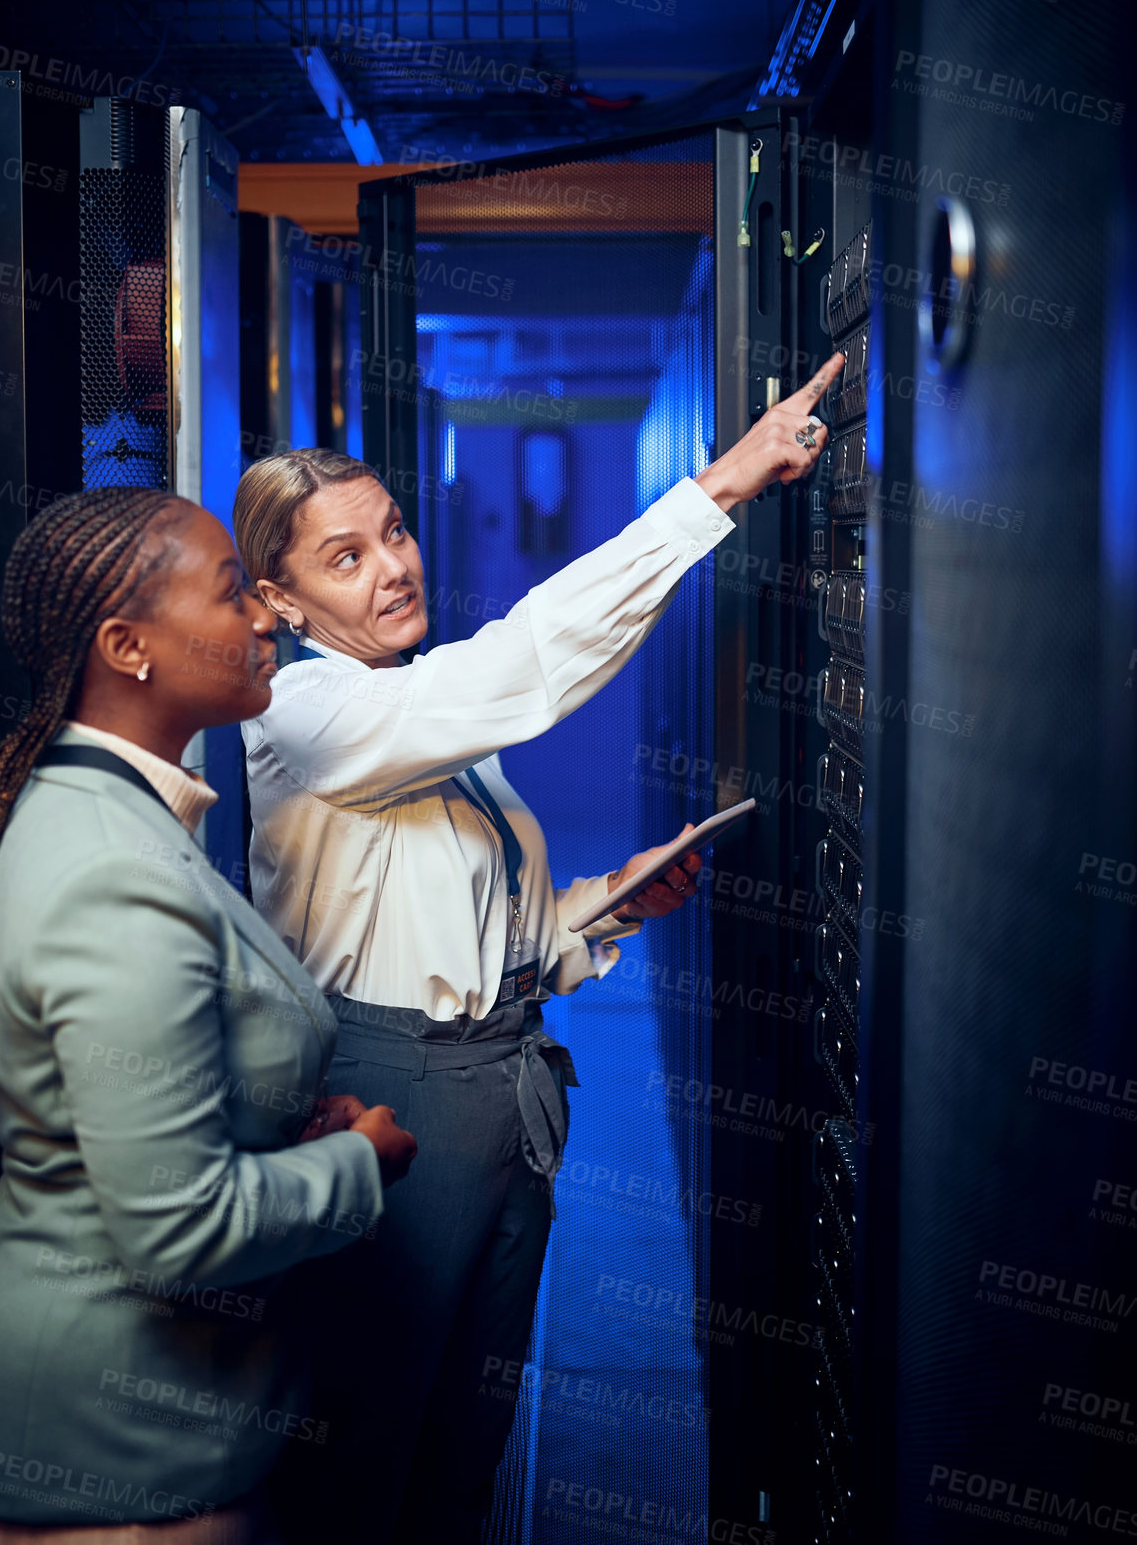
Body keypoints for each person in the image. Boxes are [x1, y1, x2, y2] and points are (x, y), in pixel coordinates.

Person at [233, 354, 843, 1542]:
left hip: (501, 1089)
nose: (394, 566)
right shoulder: (303, 712)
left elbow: (488, 931)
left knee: (468, 1435)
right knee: (368, 1441)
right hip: (388, 1086)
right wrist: (712, 489)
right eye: (344, 557)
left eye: (393, 532)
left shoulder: (413, 706)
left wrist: (605, 901)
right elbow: (525, 667)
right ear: (281, 600)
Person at [0, 487, 416, 1544]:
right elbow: (177, 1226)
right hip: (118, 1447)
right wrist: (360, 1161)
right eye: (232, 596)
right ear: (127, 646)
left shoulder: (121, 814)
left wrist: (275, 1129)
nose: (265, 618)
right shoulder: (110, 872)